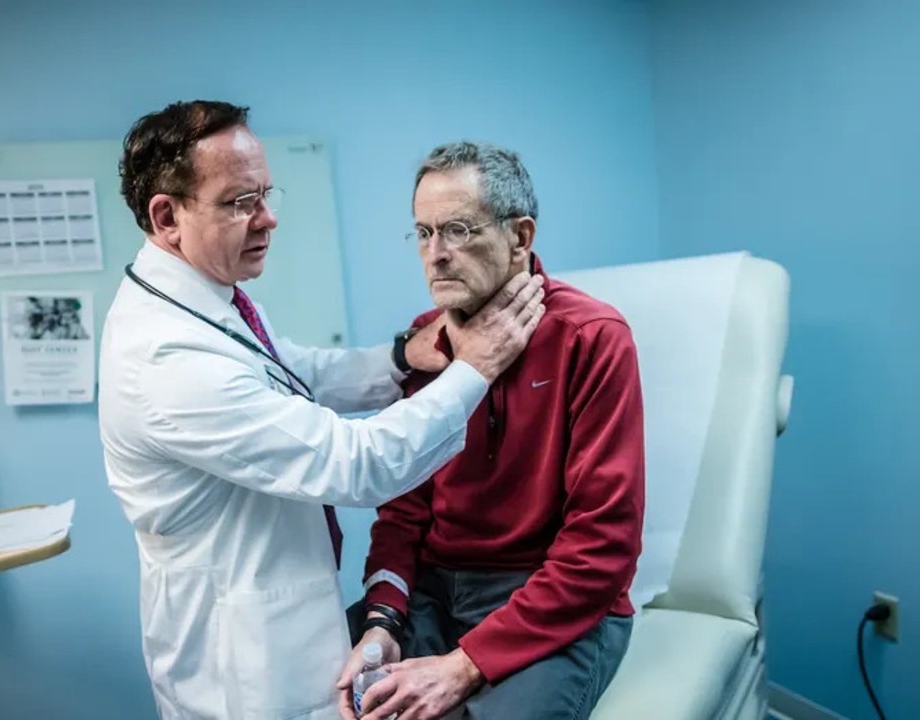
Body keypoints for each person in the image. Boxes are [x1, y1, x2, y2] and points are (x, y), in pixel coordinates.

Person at [96, 101, 547, 720]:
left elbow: (292, 371)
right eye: (239, 202)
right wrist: (477, 366)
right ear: (167, 216)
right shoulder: (164, 357)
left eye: (265, 194)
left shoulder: (206, 302)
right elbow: (356, 464)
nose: (268, 218)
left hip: (284, 619)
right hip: (243, 661)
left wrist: (400, 356)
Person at [338, 141, 647, 720]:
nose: (436, 254)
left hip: (549, 600)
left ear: (520, 236)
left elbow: (602, 545)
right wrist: (382, 619)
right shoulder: (428, 341)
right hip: (434, 594)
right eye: (424, 233)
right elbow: (404, 510)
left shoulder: (592, 337)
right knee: (335, 695)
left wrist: (462, 665)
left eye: (457, 229)